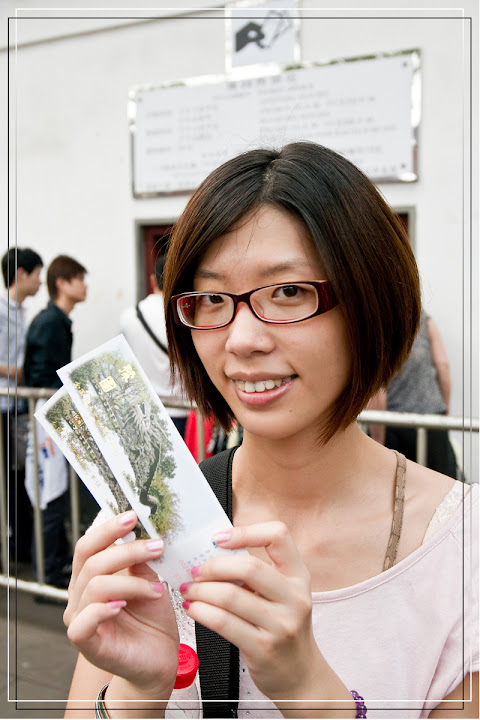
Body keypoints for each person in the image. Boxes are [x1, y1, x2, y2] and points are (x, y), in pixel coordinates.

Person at [63, 144, 478, 719]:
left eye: (287, 292)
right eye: (212, 299)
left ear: (371, 300)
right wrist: (138, 692)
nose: (241, 340)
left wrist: (309, 691)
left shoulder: (460, 550)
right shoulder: (147, 527)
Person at [24, 254, 88, 588]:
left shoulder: (55, 320)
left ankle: (54, 564)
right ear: (62, 283)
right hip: (47, 418)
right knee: (51, 492)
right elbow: (40, 376)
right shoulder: (50, 322)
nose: (85, 286)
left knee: (56, 493)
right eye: (79, 279)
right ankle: (47, 574)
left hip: (50, 414)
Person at [368, 310, 458, 479]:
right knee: (442, 486)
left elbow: (377, 390)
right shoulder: (424, 319)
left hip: (394, 424)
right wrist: (444, 412)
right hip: (431, 421)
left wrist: (378, 441)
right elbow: (443, 366)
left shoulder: (380, 318)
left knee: (397, 488)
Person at [0, 247, 43, 562]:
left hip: (17, 407)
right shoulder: (1, 310)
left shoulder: (20, 311)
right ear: (21, 274)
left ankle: (19, 548)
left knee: (18, 477)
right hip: (3, 405)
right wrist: (14, 371)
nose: (40, 281)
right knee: (8, 480)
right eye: (37, 274)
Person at [120, 254, 189, 438]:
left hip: (143, 411)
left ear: (153, 280)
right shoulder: (186, 315)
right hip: (183, 410)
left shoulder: (129, 316)